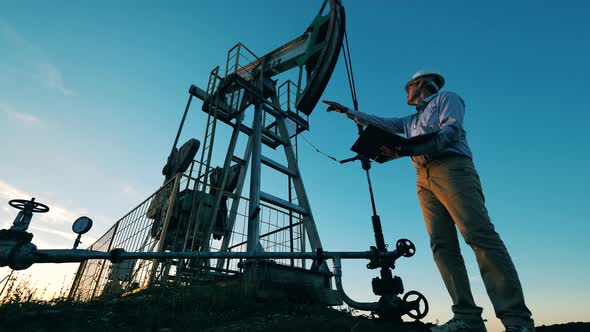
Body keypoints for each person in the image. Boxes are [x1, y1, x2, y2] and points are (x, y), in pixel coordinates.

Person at [323, 71, 535, 332]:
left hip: (452, 168)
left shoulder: (446, 98)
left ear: (419, 84)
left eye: (407, 88)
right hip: (422, 178)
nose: (406, 94)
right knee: (442, 245)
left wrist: (405, 149)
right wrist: (347, 112)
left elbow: (450, 133)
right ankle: (467, 318)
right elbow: (381, 123)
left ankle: (517, 320)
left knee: (478, 235)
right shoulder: (411, 121)